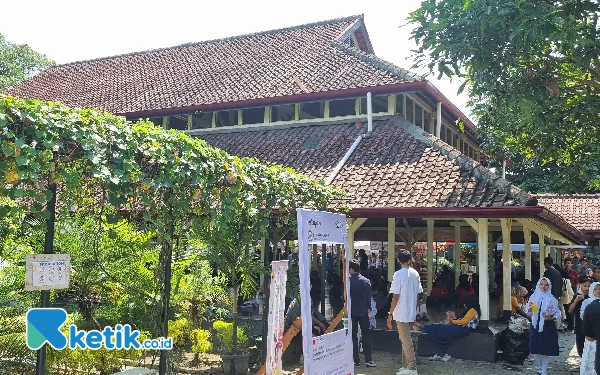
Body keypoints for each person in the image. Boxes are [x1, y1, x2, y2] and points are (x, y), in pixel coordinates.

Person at [387, 250, 422, 375]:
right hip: (411, 310)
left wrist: (390, 313)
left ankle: (412, 367)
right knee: (405, 338)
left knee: (405, 339)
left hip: (401, 311)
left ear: (398, 260)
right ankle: (407, 365)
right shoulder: (415, 274)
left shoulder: (398, 274)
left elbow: (395, 296)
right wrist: (414, 310)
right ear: (409, 259)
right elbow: (418, 295)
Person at [422, 295, 481, 362]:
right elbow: (461, 319)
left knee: (439, 328)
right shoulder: (470, 310)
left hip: (464, 329)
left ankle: (422, 327)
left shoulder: (472, 310)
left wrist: (451, 321)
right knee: (440, 328)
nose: (464, 304)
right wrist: (453, 318)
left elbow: (464, 321)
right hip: (462, 327)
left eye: (465, 302)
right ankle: (440, 352)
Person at [525, 277, 561, 375]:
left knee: (545, 349)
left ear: (549, 286)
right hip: (535, 324)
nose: (543, 287)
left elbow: (558, 313)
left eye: (546, 285)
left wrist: (551, 317)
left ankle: (544, 371)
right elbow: (528, 311)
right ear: (538, 285)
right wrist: (530, 310)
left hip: (547, 325)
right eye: (541, 284)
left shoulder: (552, 299)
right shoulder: (533, 297)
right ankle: (540, 367)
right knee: (534, 350)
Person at [349, 259, 375, 367]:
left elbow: (345, 298)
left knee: (353, 336)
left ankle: (355, 360)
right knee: (366, 335)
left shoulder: (348, 282)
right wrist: (369, 311)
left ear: (351, 269)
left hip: (351, 312)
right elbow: (369, 299)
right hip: (364, 311)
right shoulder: (366, 281)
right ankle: (368, 359)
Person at [568, 276, 592, 357]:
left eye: (589, 286)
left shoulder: (593, 297)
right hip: (579, 325)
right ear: (580, 285)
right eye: (585, 286)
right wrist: (576, 301)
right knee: (580, 346)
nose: (587, 288)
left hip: (591, 326)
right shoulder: (577, 296)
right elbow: (570, 311)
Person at [580, 281, 600, 374]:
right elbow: (582, 316)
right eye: (595, 289)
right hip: (591, 335)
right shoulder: (587, 302)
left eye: (599, 289)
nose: (597, 291)